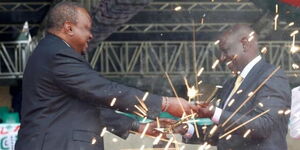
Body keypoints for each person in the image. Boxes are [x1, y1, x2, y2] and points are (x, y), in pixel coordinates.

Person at [15, 2, 196, 150]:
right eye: (86, 28)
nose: (91, 35)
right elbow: (103, 91)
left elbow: (91, 105)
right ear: (68, 28)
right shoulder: (57, 54)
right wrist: (165, 103)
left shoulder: (51, 52)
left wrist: (138, 126)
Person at [183, 24, 291, 150]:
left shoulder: (272, 76)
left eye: (225, 50)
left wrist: (215, 112)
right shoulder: (230, 84)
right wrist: (187, 129)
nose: (222, 58)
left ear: (244, 44)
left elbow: (263, 125)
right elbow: (223, 133)